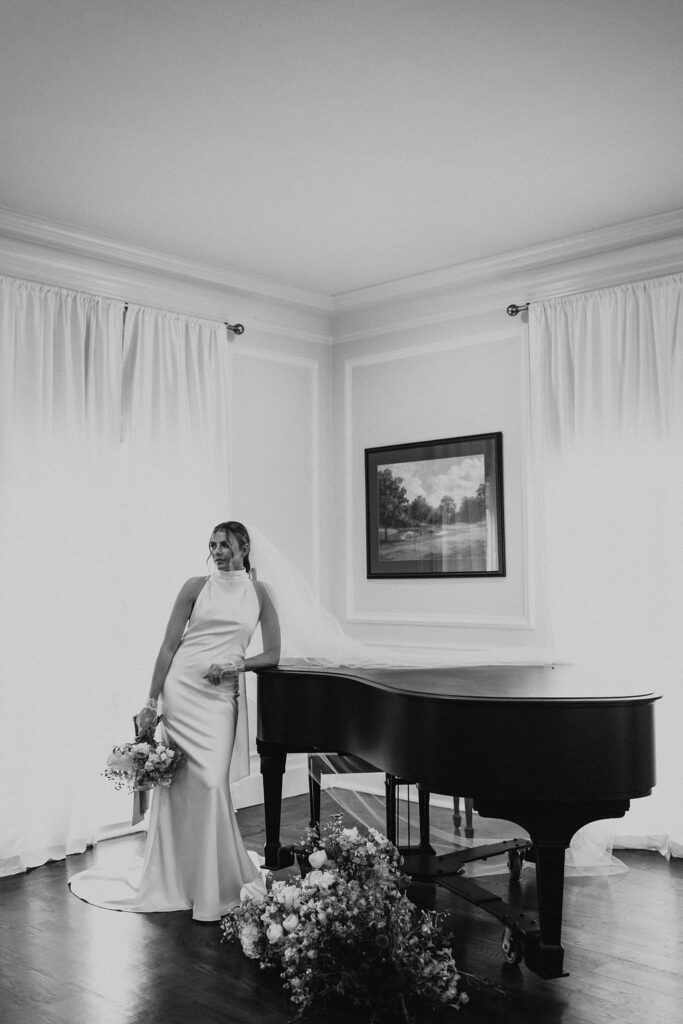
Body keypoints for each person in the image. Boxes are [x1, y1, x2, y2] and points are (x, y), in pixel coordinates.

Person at [69, 521, 281, 921]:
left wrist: (238, 664)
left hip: (220, 698)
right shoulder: (194, 587)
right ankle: (176, 877)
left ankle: (213, 880)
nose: (217, 551)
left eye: (225, 544)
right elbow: (168, 646)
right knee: (180, 783)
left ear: (244, 546)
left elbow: (273, 653)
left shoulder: (259, 593)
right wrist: (151, 700)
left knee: (211, 782)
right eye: (212, 545)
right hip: (182, 691)